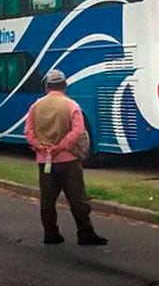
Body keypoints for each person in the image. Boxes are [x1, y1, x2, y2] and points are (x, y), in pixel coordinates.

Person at [23, 69, 108, 246]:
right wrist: (61, 146)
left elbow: (28, 132)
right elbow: (78, 131)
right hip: (68, 160)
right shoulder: (71, 105)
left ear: (47, 86)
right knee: (77, 199)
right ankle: (85, 233)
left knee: (47, 200)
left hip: (44, 160)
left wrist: (41, 146)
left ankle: (51, 233)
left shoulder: (36, 106)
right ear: (64, 86)